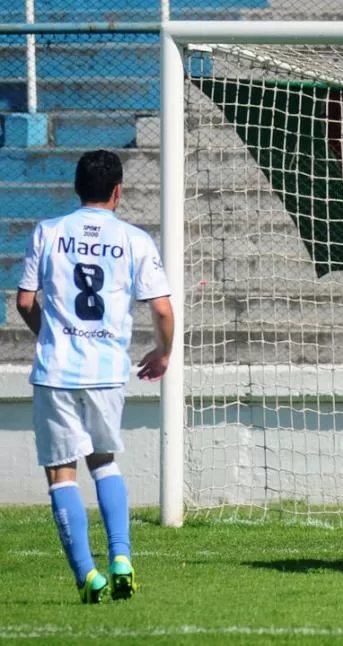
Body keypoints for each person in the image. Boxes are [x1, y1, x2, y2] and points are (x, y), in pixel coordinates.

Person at [17, 150, 174, 603]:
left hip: (57, 370)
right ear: (118, 191)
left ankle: (88, 575)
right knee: (103, 461)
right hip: (106, 371)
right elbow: (162, 309)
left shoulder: (48, 232)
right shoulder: (135, 239)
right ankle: (121, 557)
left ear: (76, 187)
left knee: (61, 475)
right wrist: (162, 355)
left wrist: (48, 333)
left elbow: (26, 302)